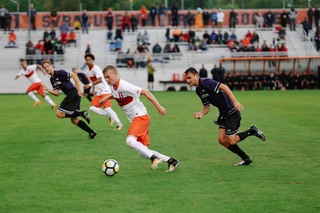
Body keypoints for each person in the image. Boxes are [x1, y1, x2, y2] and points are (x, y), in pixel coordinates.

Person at [100, 65, 179, 172]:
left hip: (141, 116)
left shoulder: (125, 85)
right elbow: (116, 94)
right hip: (136, 119)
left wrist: (159, 107)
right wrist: (105, 98)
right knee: (143, 151)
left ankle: (154, 158)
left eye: (108, 77)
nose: (107, 80)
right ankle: (171, 161)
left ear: (115, 74)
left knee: (129, 141)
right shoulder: (114, 86)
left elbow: (146, 92)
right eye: (105, 78)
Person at [184, 67, 266, 166]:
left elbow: (224, 87)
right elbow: (206, 106)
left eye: (189, 77)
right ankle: (246, 158)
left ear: (196, 75)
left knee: (231, 141)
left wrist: (235, 101)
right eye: (186, 79)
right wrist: (201, 113)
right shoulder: (198, 90)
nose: (188, 81)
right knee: (222, 140)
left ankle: (252, 131)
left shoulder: (206, 82)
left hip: (231, 112)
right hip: (223, 113)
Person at [41, 59, 96, 139]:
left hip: (73, 93)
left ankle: (82, 113)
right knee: (74, 120)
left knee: (59, 113)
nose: (47, 68)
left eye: (48, 66)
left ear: (51, 65)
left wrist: (79, 90)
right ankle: (92, 132)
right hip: (72, 95)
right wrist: (47, 89)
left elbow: (74, 75)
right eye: (45, 67)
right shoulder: (52, 79)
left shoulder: (60, 72)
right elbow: (56, 93)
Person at [83, 53, 123, 130]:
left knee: (107, 108)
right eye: (86, 59)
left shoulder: (96, 68)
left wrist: (90, 85)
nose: (88, 61)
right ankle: (110, 116)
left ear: (92, 60)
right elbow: (94, 80)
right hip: (99, 92)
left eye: (89, 59)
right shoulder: (87, 71)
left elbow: (100, 79)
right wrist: (93, 89)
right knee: (92, 108)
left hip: (105, 90)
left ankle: (119, 124)